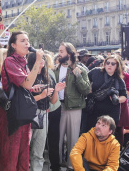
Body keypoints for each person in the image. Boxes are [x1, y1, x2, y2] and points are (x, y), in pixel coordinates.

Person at [0, 31, 44, 171]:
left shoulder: (23, 62)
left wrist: (32, 89)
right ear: (13, 45)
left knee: (23, 155)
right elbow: (26, 83)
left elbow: (24, 87)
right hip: (12, 115)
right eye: (23, 40)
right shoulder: (10, 61)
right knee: (10, 157)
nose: (27, 43)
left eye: (28, 40)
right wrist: (37, 62)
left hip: (22, 114)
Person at [53, 42, 90, 171]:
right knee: (57, 138)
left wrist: (78, 75)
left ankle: (70, 165)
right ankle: (57, 163)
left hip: (74, 108)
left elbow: (86, 90)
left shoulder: (80, 68)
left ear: (69, 53)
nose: (59, 53)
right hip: (58, 106)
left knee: (72, 139)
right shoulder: (55, 69)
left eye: (61, 51)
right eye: (59, 51)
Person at [27, 52, 65, 171]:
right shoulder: (27, 76)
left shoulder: (48, 76)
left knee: (39, 151)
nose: (42, 60)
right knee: (25, 149)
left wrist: (57, 91)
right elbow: (23, 100)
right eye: (39, 58)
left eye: (43, 58)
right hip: (29, 114)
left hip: (44, 114)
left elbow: (53, 101)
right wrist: (41, 95)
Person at [86, 55, 127, 132]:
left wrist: (117, 100)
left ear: (117, 66)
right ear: (104, 64)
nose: (109, 65)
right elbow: (85, 79)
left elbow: (124, 96)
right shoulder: (96, 72)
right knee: (92, 135)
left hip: (111, 113)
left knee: (107, 137)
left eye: (112, 64)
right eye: (107, 63)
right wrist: (89, 91)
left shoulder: (119, 80)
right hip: (94, 110)